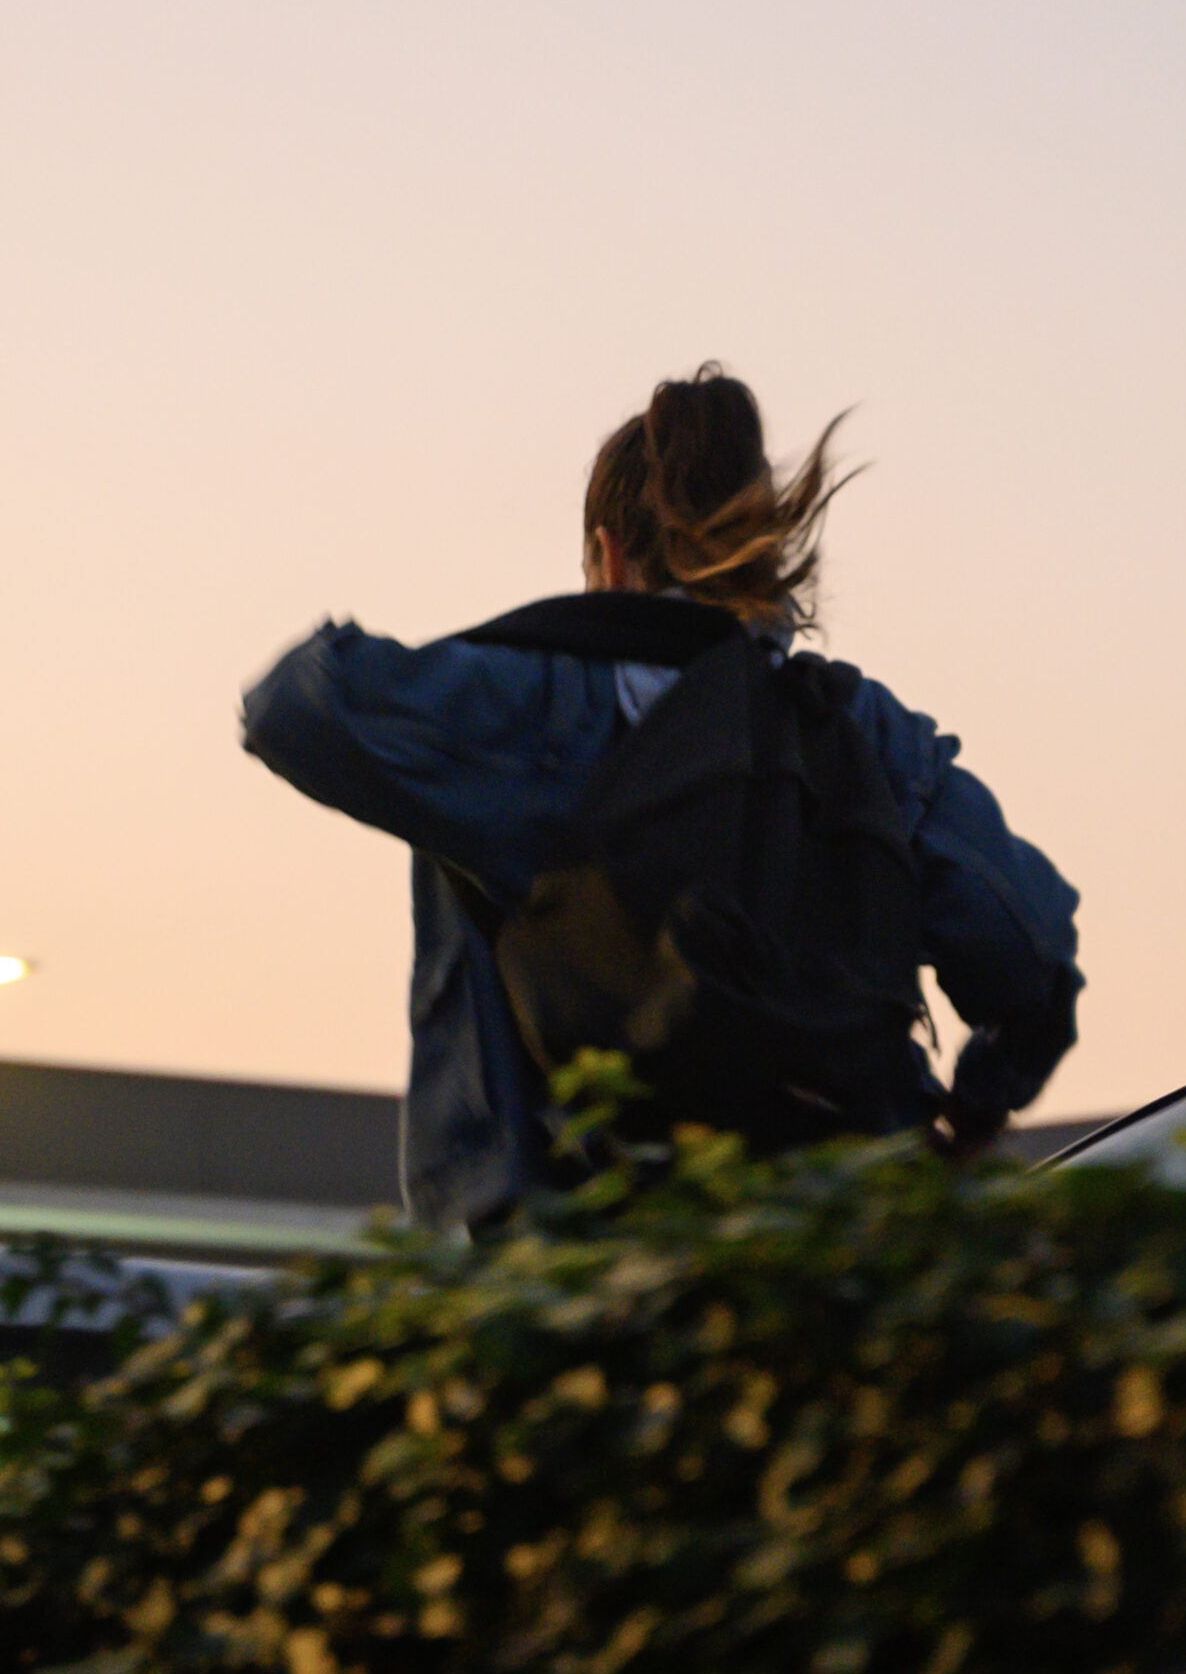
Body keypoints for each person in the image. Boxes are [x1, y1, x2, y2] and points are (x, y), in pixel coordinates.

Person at [242, 365, 1082, 1232]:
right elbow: (1032, 953)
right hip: (839, 1251)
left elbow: (289, 708)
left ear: (607, 557)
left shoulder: (533, 707)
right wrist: (974, 1111)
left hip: (570, 1271)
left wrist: (508, 648)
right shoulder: (863, 735)